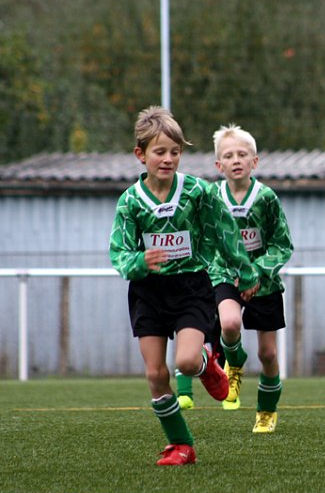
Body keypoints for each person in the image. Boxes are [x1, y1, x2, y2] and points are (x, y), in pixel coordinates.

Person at [109, 106, 260, 465]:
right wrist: (138, 262)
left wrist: (248, 272)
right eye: (159, 152)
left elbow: (225, 231)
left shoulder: (196, 191)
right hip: (148, 292)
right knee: (155, 373)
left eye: (174, 152)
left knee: (187, 361)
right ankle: (182, 445)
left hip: (191, 287)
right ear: (140, 154)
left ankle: (207, 362)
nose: (167, 159)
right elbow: (119, 252)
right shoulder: (130, 202)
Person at [206, 124, 293, 433]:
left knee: (268, 353)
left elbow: (283, 244)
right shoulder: (211, 197)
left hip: (263, 281)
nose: (236, 160)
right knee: (229, 324)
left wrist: (257, 273)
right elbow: (207, 239)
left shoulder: (265, 198)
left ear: (254, 161)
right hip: (226, 274)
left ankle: (267, 410)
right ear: (219, 165)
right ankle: (234, 360)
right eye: (228, 156)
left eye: (242, 154)